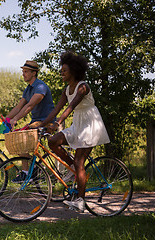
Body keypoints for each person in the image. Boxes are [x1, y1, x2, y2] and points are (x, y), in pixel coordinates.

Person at [38, 51, 110, 213]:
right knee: (53, 141)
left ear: (74, 71)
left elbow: (71, 107)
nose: (61, 73)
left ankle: (80, 201)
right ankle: (72, 169)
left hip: (91, 124)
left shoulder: (83, 87)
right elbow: (57, 109)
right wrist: (40, 125)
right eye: (61, 70)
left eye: (64, 70)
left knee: (80, 162)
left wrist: (57, 123)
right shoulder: (66, 90)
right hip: (78, 123)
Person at [6, 60, 55, 182]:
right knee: (19, 139)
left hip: (46, 122)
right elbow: (19, 107)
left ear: (34, 73)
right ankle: (30, 171)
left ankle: (28, 172)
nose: (23, 74)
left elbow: (30, 106)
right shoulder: (28, 89)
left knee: (21, 137)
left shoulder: (40, 86)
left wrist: (15, 119)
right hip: (36, 123)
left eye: (26, 71)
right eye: (23, 71)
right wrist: (5, 120)